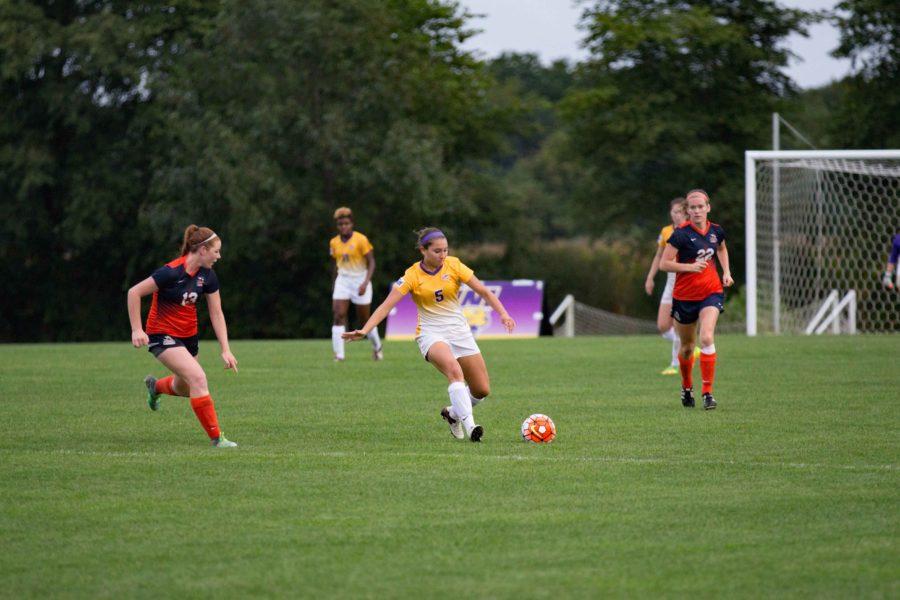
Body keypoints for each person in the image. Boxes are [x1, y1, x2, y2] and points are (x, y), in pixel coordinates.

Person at [342, 228, 515, 442]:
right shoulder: (412, 275)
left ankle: (452, 414)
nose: (443, 255)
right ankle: (471, 427)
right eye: (437, 251)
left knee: (481, 389)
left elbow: (484, 292)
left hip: (460, 332)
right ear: (423, 250)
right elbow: (386, 306)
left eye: (445, 250)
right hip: (431, 334)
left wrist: (504, 314)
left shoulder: (454, 265)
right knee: (454, 371)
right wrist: (365, 330)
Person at [127, 225, 239, 447]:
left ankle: (156, 387)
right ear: (203, 249)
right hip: (162, 334)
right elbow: (134, 292)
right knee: (199, 378)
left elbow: (217, 313)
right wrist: (137, 329)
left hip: (188, 337)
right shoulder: (170, 272)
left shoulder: (208, 276)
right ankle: (217, 438)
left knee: (186, 387)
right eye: (216, 251)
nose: (219, 256)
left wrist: (225, 349)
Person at [660, 190, 733, 410]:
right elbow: (665, 263)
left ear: (708, 207)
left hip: (711, 292)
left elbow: (721, 248)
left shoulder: (716, 231)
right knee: (687, 347)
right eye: (692, 208)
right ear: (687, 211)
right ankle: (686, 385)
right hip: (684, 296)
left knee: (707, 337)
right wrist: (689, 267)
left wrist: (726, 272)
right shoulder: (680, 234)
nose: (697, 210)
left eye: (701, 206)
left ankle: (708, 393)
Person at [329, 207, 382, 361]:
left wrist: (366, 282)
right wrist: (334, 284)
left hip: (360, 280)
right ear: (337, 226)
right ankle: (339, 355)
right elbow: (335, 265)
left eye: (346, 223)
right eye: (340, 224)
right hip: (343, 280)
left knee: (364, 321)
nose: (343, 227)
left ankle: (377, 347)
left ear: (351, 223)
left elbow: (371, 262)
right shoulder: (334, 242)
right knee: (338, 315)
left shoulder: (361, 239)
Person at [644, 198, 687, 375]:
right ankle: (688, 345)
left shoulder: (690, 231)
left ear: (685, 213)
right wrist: (650, 277)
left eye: (678, 211)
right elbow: (659, 256)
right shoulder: (666, 231)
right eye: (673, 211)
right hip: (671, 280)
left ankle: (674, 363)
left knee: (678, 324)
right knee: (663, 326)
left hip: (685, 279)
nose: (675, 215)